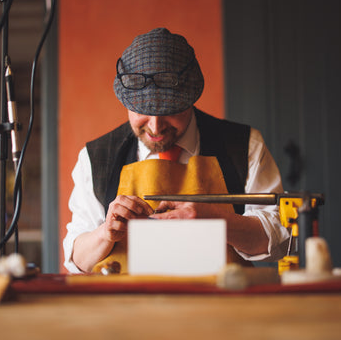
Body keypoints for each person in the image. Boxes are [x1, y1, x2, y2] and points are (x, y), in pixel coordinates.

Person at [63, 28, 289, 274]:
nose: (155, 126)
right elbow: (77, 260)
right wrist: (105, 233)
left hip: (222, 307)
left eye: (169, 111)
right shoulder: (95, 158)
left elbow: (282, 239)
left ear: (191, 98)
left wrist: (217, 221)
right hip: (127, 308)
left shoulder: (244, 146)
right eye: (142, 111)